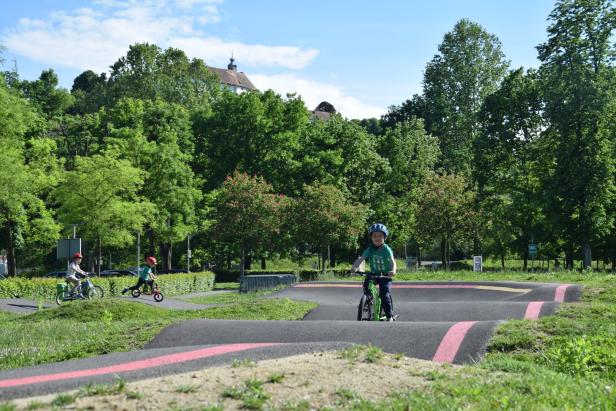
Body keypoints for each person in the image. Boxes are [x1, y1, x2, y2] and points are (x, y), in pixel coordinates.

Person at [351, 223, 397, 322]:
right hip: (374, 274)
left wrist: (393, 270)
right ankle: (367, 300)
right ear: (371, 238)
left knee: (384, 295)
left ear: (384, 237)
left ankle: (389, 316)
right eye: (375, 236)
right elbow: (362, 258)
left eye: (380, 236)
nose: (377, 238)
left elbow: (392, 261)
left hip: (385, 276)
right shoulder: (370, 249)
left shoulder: (386, 249)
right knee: (366, 284)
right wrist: (354, 267)